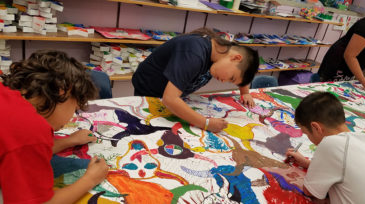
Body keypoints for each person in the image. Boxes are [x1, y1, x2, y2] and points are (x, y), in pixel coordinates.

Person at [0, 50, 109, 204]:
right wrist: (90, 179)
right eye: (75, 108)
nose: (73, 116)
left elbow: (23, 150)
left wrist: (68, 141)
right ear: (64, 90)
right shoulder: (29, 127)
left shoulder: (7, 93)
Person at [286, 92, 365, 204]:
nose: (308, 138)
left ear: (316, 127)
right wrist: (308, 163)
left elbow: (310, 192)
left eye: (306, 133)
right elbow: (348, 168)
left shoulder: (330, 143)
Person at [132, 28, 260, 132]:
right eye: (231, 78)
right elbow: (170, 99)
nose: (224, 81)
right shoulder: (194, 54)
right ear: (235, 58)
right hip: (150, 93)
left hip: (172, 95)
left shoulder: (224, 51)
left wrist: (245, 92)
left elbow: (245, 63)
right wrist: (205, 123)